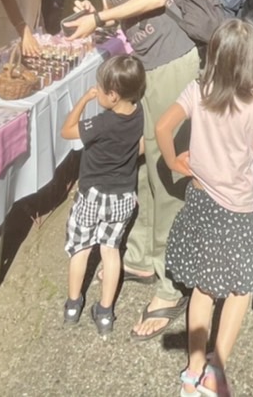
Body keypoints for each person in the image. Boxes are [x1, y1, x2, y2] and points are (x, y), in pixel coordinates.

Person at [59, 0, 201, 341]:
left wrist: (100, 15)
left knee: (166, 168)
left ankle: (171, 280)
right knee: (144, 169)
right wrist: (98, 15)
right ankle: (139, 255)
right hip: (153, 63)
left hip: (170, 61)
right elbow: (132, 6)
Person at [157, 19, 253, 397]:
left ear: (214, 55)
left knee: (203, 288)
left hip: (200, 201)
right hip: (237, 210)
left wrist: (172, 162)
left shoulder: (198, 90)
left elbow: (163, 128)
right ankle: (215, 370)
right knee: (239, 289)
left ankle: (192, 370)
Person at [59, 54, 147, 337]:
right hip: (122, 196)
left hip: (92, 194)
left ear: (112, 95)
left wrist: (84, 100)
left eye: (99, 88)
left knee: (81, 248)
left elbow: (66, 131)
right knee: (110, 251)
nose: (96, 90)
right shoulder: (139, 111)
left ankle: (73, 305)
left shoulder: (103, 122)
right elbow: (141, 147)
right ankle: (105, 313)